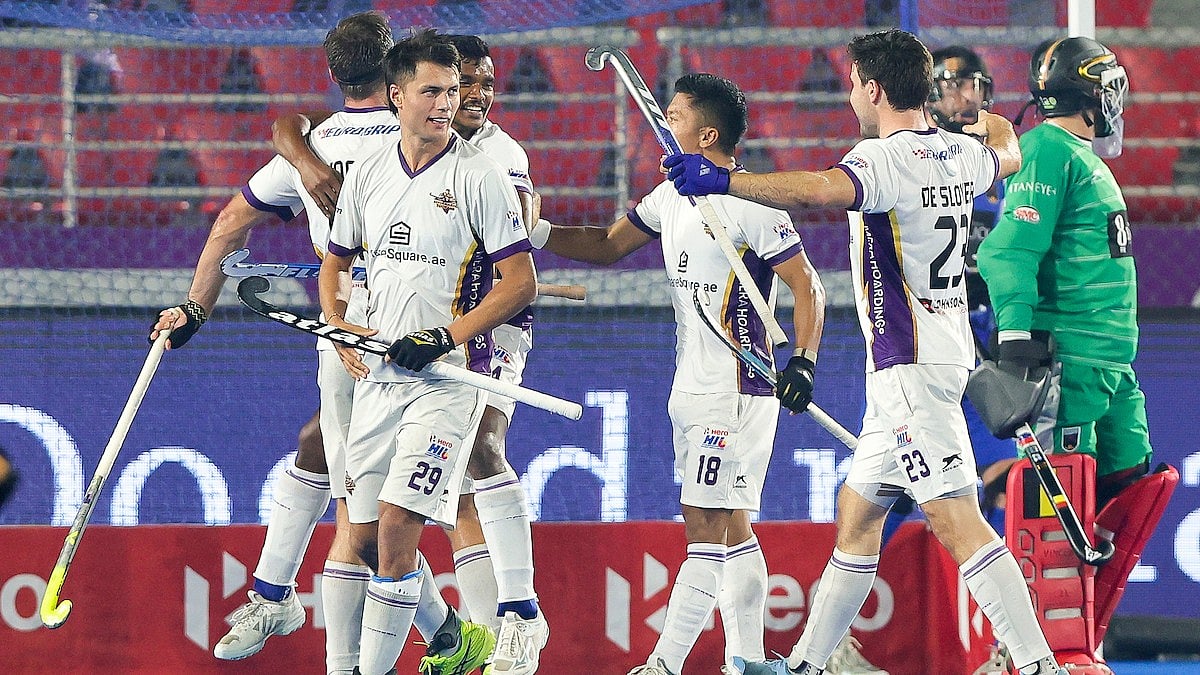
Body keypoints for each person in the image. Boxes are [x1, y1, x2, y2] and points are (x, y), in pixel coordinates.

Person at [665, 29, 1068, 675]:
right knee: (857, 517)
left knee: (955, 519)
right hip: (929, 359)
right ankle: (805, 664)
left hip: (909, 368)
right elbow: (1008, 149)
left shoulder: (884, 158)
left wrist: (724, 182)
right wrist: (983, 117)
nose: (851, 92)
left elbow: (817, 191)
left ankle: (1040, 662)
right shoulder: (959, 153)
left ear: (874, 89)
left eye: (854, 82)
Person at [149, 15, 494, 675]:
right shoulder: (425, 133)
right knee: (344, 488)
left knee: (360, 518)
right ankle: (429, 631)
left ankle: (424, 634)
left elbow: (228, 224)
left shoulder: (320, 145)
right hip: (432, 330)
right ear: (397, 75)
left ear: (332, 72)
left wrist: (197, 304)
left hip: (353, 337)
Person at [528, 72, 826, 675]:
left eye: (676, 114)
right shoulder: (671, 196)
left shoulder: (751, 203)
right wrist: (535, 234)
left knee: (706, 528)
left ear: (707, 132)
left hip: (737, 390)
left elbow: (807, 286)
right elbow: (610, 245)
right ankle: (746, 660)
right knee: (735, 528)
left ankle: (663, 665)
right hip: (689, 389)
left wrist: (803, 361)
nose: (664, 122)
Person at [271, 33, 549, 674]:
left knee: (397, 531)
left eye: (452, 92)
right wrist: (338, 323)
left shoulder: (482, 174)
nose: (446, 104)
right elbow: (336, 263)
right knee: (365, 539)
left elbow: (520, 283)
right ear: (397, 95)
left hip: (447, 379)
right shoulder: (364, 174)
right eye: (432, 91)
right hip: (378, 379)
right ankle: (452, 641)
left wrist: (446, 337)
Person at [975, 36, 1177, 672]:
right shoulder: (1044, 151)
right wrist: (1016, 344)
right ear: (1094, 95)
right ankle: (1045, 654)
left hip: (1110, 366)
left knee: (1135, 488)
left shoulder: (1079, 158)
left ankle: (1080, 640)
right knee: (1056, 512)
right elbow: (1009, 251)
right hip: (1067, 364)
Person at [880, 45, 1016, 550]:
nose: (967, 96)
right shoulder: (915, 155)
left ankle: (996, 616)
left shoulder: (991, 162)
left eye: (975, 84)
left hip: (986, 331)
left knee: (1001, 478)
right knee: (892, 485)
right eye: (955, 84)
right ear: (930, 92)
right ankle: (849, 609)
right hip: (924, 330)